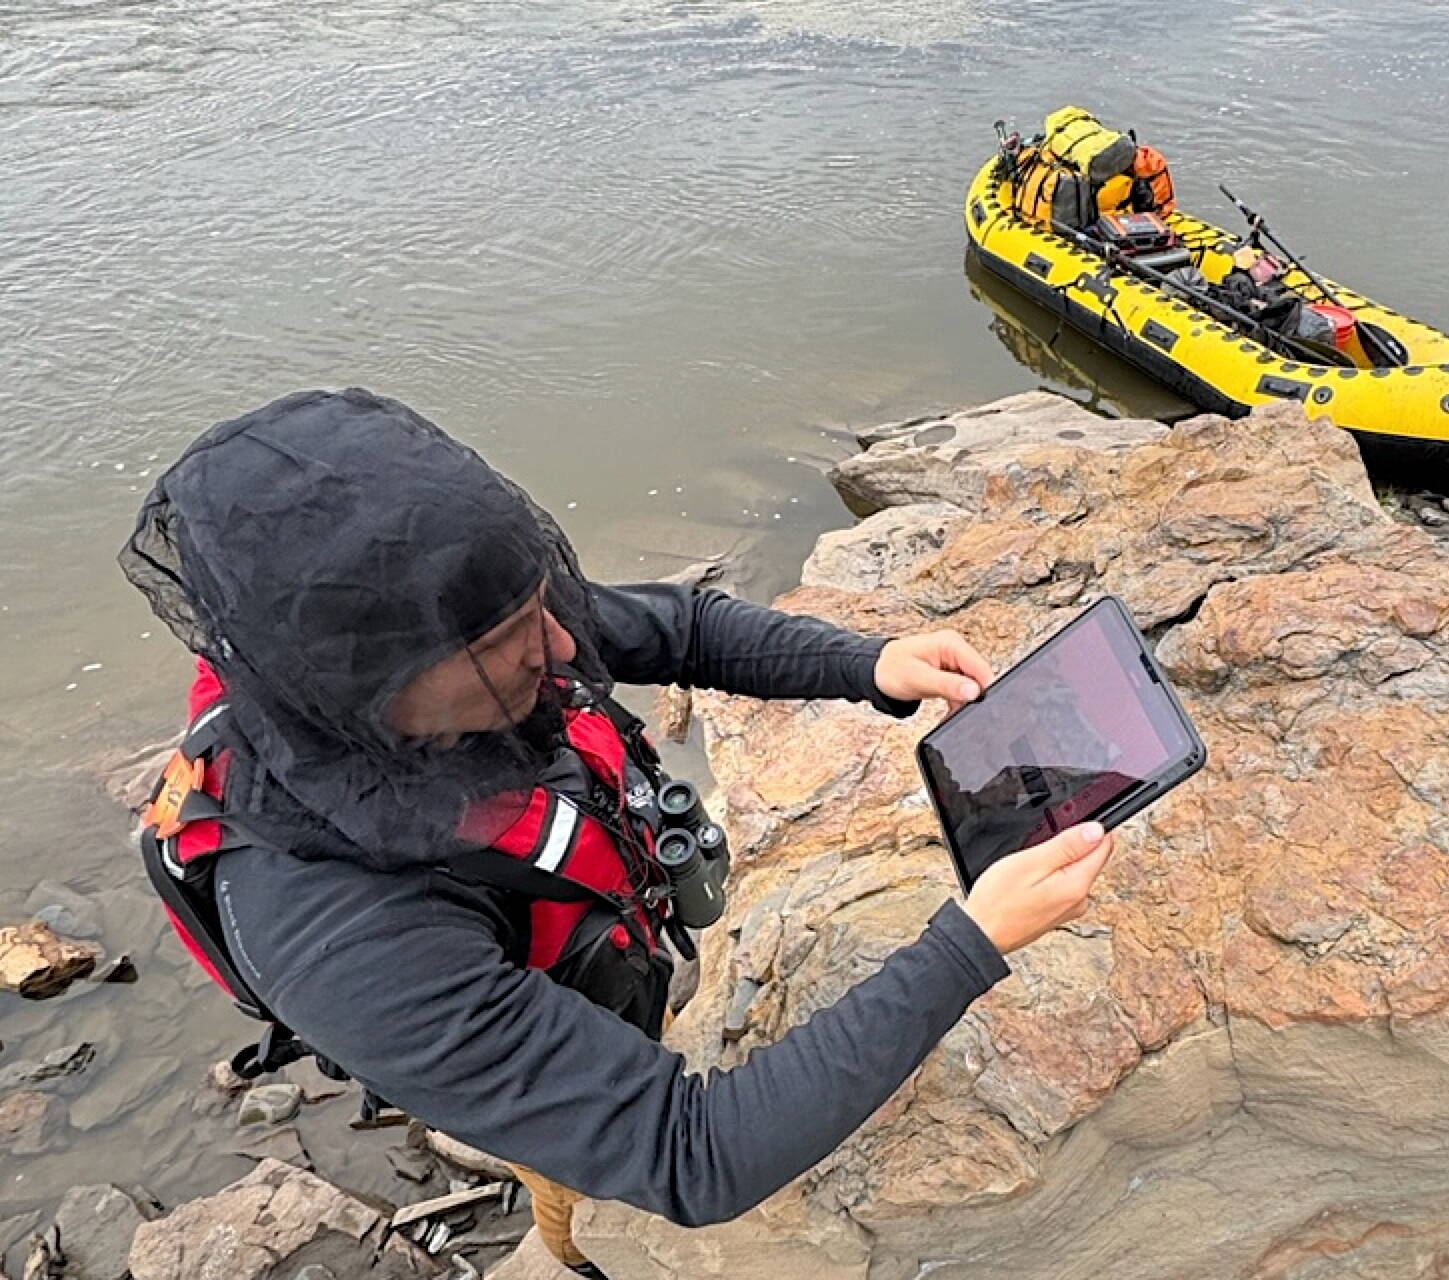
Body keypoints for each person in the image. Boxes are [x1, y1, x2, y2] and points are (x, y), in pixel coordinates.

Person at [121, 389, 1116, 1277]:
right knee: (574, 1182)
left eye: (540, 608)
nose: (561, 645)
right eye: (510, 643)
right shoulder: (340, 937)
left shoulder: (447, 627)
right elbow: (697, 1153)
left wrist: (873, 663)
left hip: (588, 943)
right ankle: (563, 1234)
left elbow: (682, 629)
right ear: (366, 685)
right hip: (508, 1011)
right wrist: (970, 943)